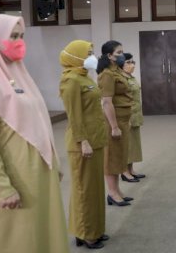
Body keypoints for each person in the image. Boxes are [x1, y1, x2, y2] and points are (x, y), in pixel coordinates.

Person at [0, 14, 68, 253]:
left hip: (34, 175)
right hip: (10, 179)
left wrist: (53, 161)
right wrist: (3, 187)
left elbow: (39, 122)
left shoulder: (18, 74)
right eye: (12, 36)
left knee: (38, 238)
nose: (18, 42)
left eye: (21, 36)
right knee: (14, 241)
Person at [59, 40, 110, 249]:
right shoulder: (70, 81)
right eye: (88, 53)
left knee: (94, 188)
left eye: (92, 52)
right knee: (84, 190)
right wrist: (83, 141)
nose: (92, 56)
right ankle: (86, 233)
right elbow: (74, 116)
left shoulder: (84, 77)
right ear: (76, 56)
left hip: (95, 139)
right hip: (83, 143)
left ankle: (92, 229)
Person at [97, 40, 133, 206]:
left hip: (123, 120)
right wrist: (114, 126)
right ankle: (112, 193)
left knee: (119, 157)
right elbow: (106, 102)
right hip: (114, 122)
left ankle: (117, 191)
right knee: (112, 158)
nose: (122, 56)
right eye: (118, 53)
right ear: (109, 55)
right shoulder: (107, 75)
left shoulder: (117, 71)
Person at [119, 53, 146, 183]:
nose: (132, 64)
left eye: (132, 61)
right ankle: (124, 171)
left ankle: (131, 169)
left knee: (134, 144)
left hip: (135, 114)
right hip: (126, 115)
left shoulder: (131, 77)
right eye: (128, 62)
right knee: (126, 145)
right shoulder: (121, 79)